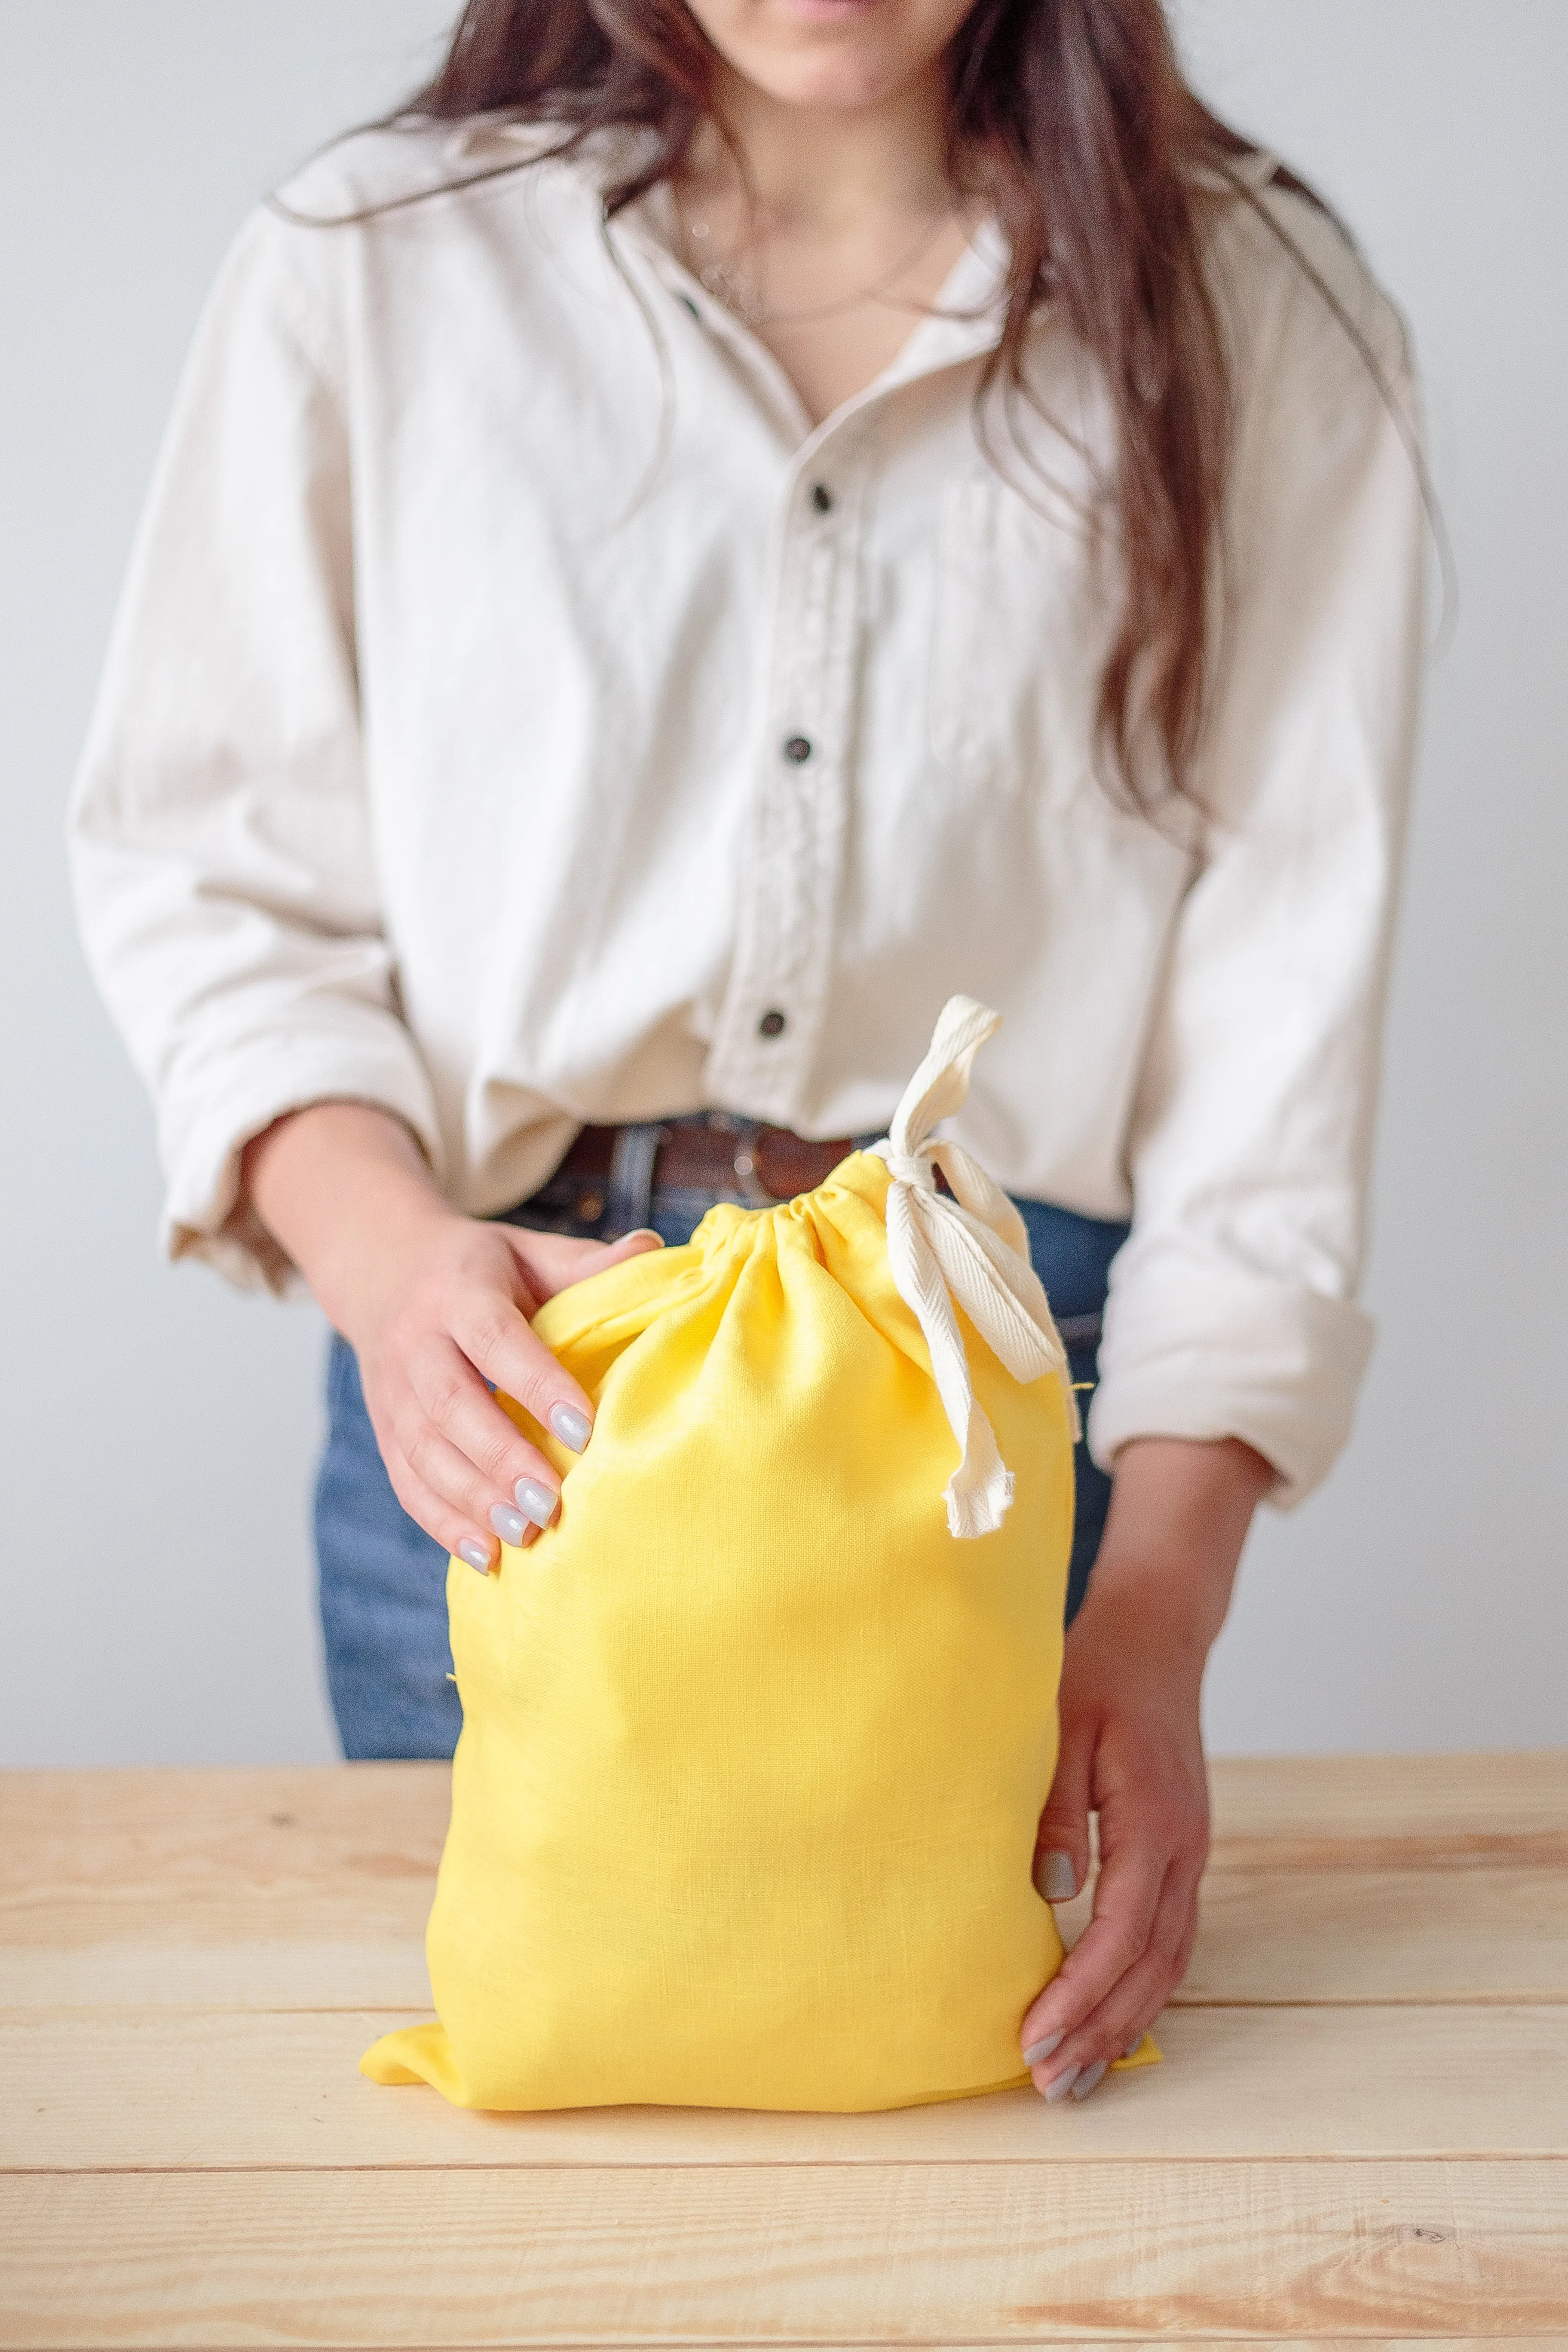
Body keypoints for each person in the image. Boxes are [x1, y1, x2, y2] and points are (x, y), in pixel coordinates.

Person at [69, 0, 1425, 2107]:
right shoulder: (371, 268)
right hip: (514, 1370)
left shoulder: (1268, 317)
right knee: (538, 2164)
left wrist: (1154, 1609)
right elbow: (214, 881)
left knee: (981, 2167)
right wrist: (382, 1265)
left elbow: (1279, 1055)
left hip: (987, 1396)